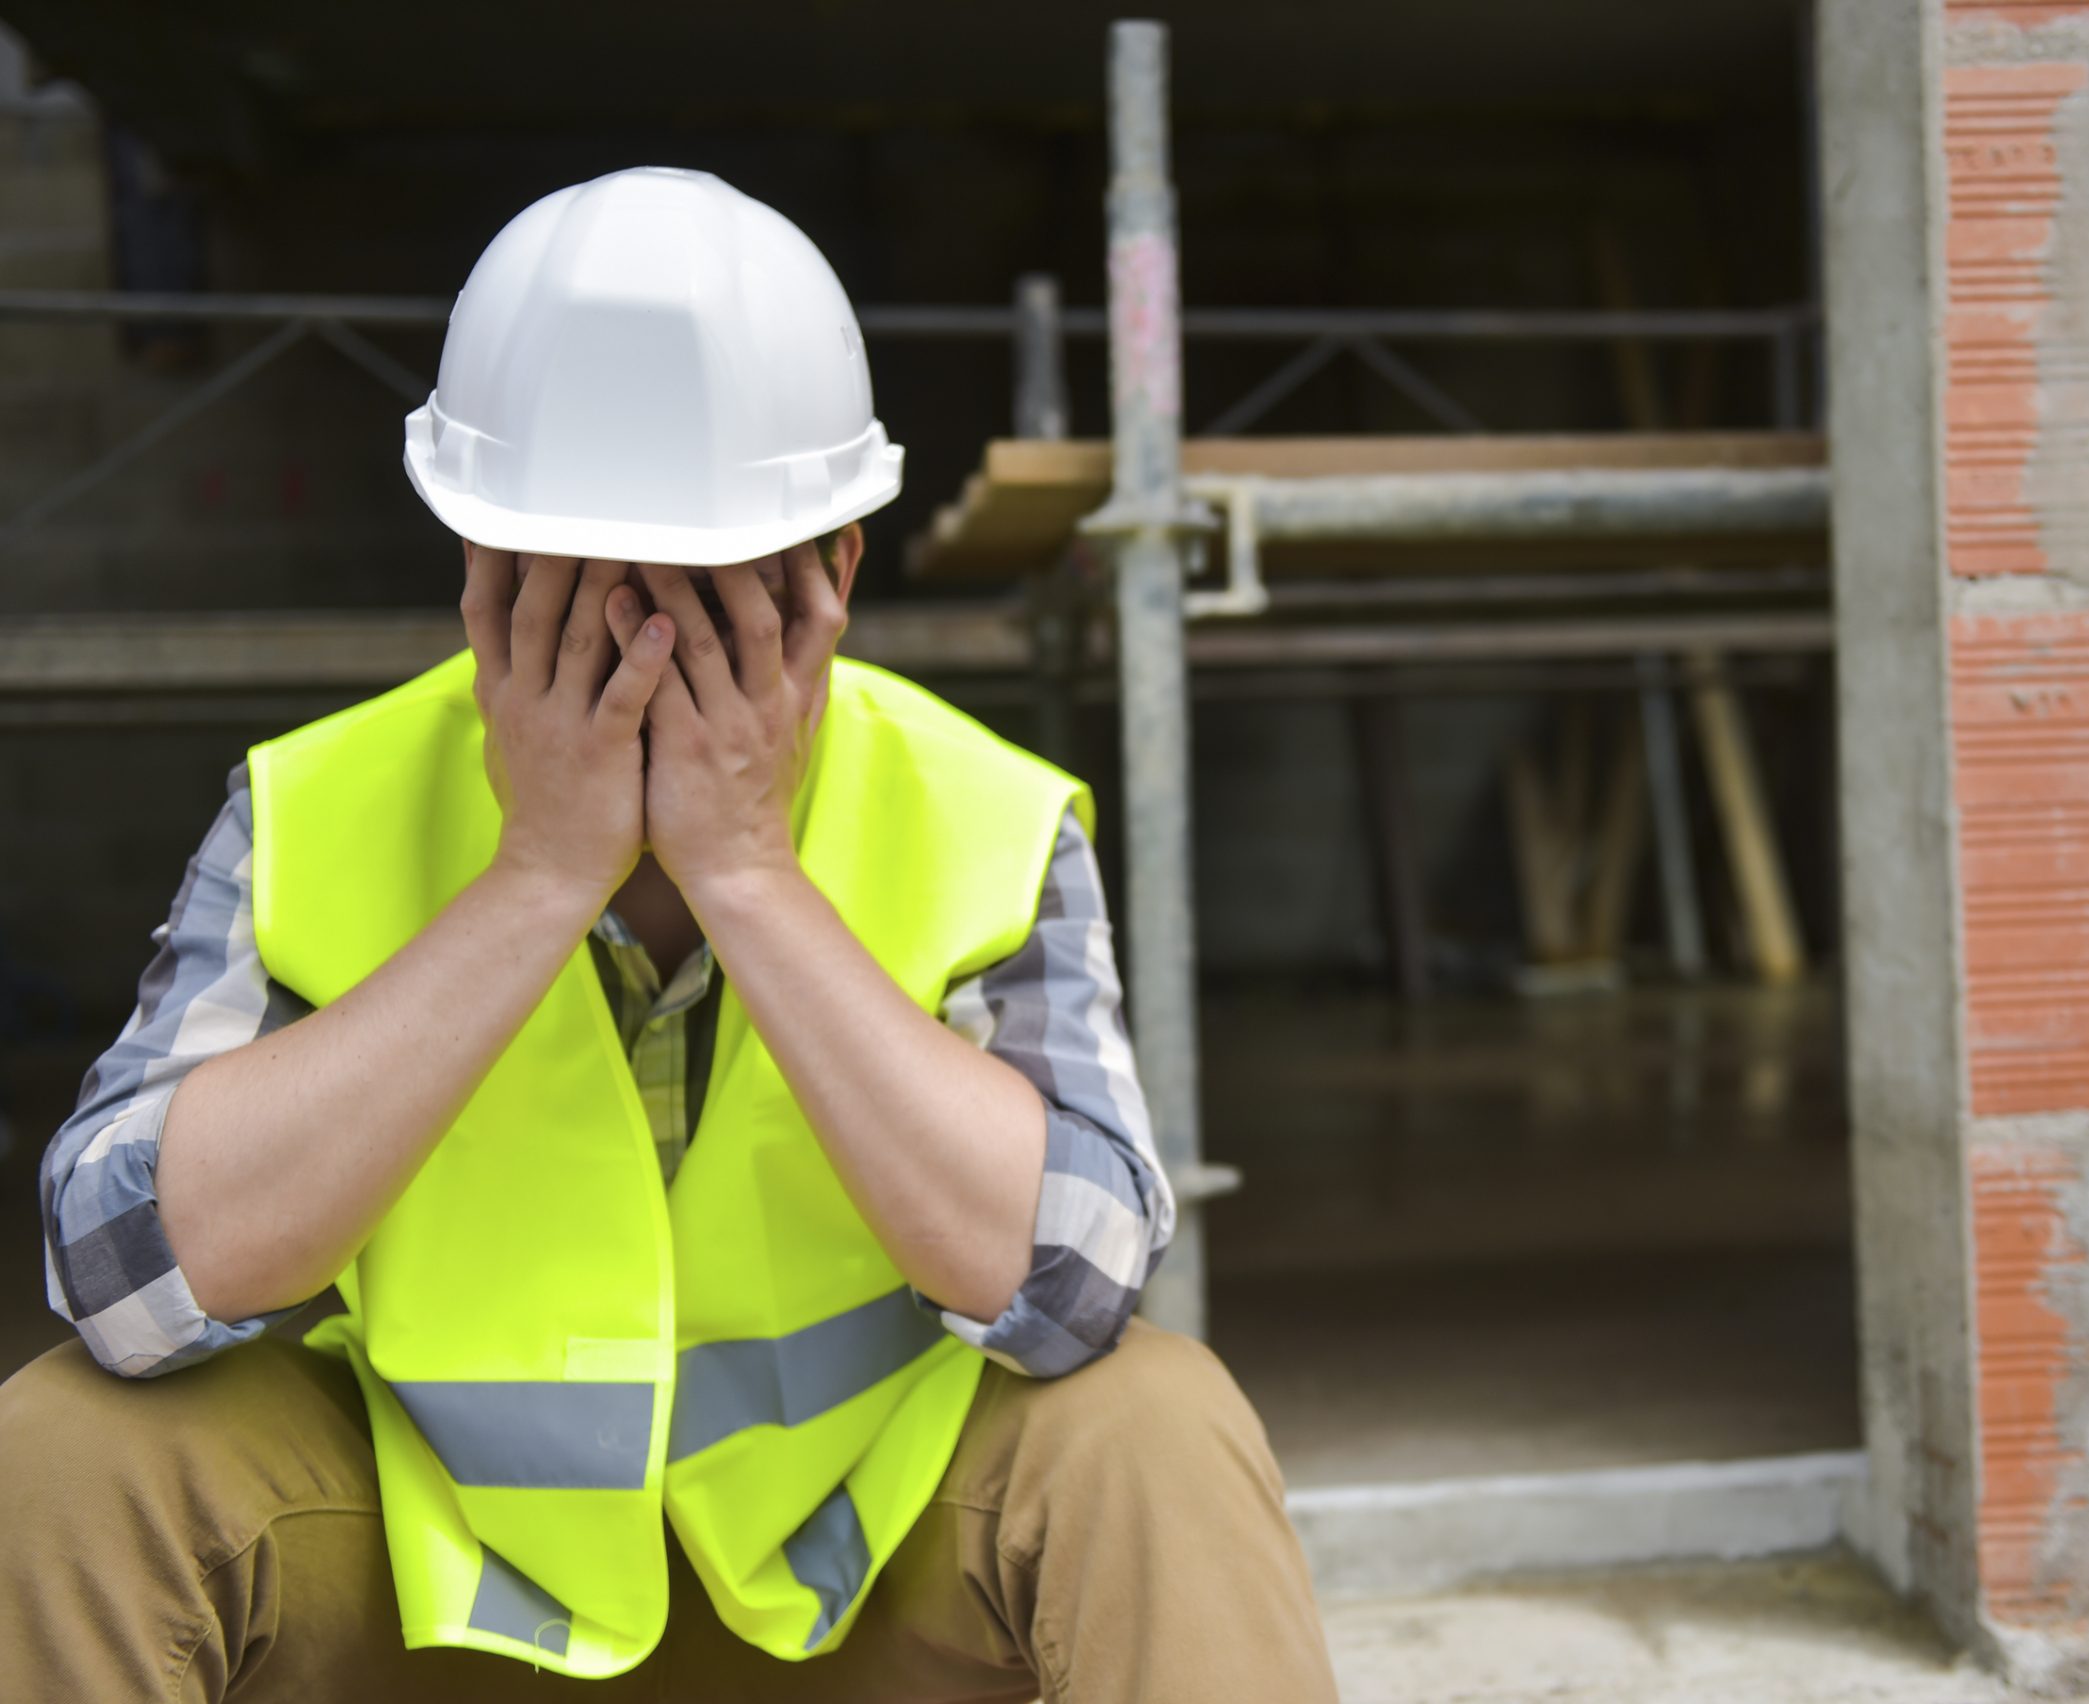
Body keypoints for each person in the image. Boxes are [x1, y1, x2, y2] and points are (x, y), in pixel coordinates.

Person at [0, 167, 1336, 1702]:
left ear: (833, 576)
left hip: (851, 1611)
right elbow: (119, 1283)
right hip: (454, 1615)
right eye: (578, 587)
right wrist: (534, 879)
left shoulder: (980, 814)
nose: (639, 651)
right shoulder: (321, 808)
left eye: (703, 598)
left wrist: (751, 873)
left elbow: (1074, 1289)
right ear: (475, 572)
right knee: (71, 1450)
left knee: (1156, 1427)